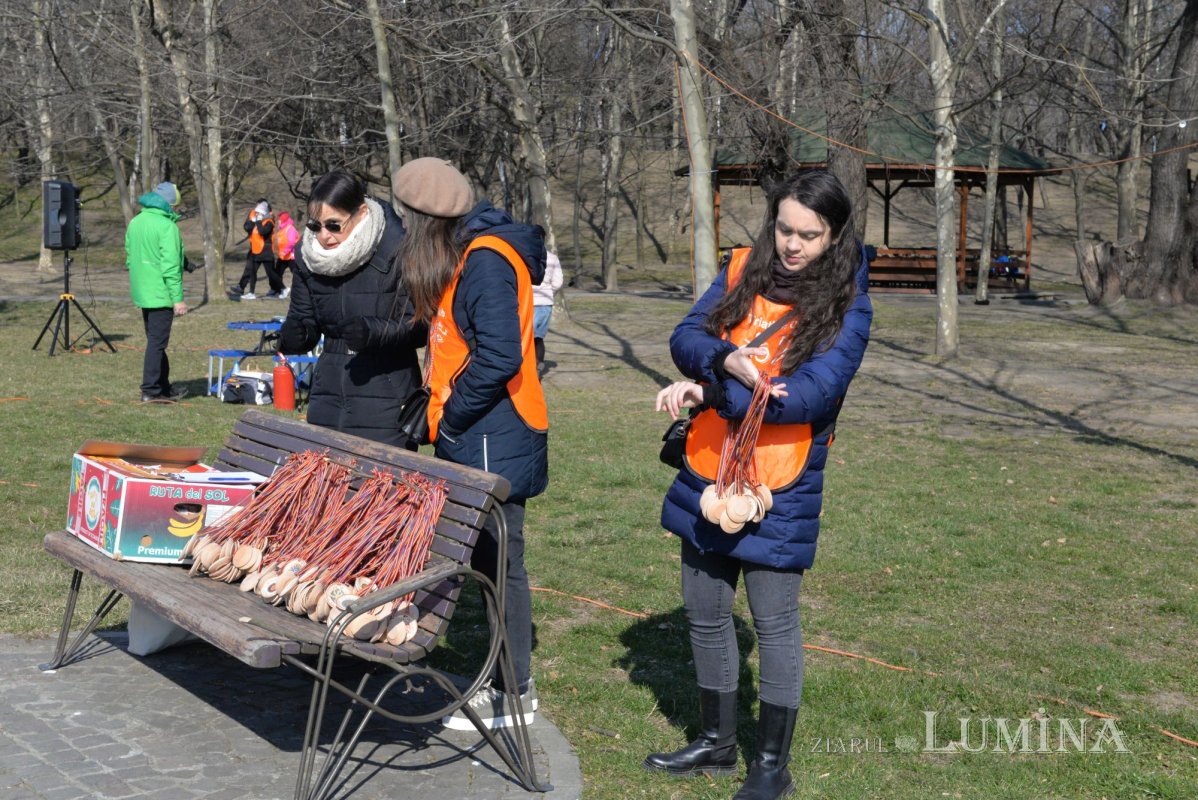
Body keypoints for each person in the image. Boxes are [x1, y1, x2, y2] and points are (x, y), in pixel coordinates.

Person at [645, 170, 872, 800]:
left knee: (773, 624)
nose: (793, 245)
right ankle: (717, 745)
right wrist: (720, 358)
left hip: (783, 481)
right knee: (705, 613)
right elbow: (686, 335)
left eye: (810, 235)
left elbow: (810, 395)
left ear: (834, 236)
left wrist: (713, 389)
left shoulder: (851, 301)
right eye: (785, 229)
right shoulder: (742, 267)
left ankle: (771, 764)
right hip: (710, 466)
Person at [392, 157, 547, 731]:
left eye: (408, 220)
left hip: (493, 431)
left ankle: (513, 693)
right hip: (473, 430)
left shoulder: (485, 261)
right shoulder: (467, 255)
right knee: (482, 561)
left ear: (426, 219)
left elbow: (501, 355)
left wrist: (452, 417)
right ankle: (499, 680)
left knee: (499, 564)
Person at [277, 171, 425, 447]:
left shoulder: (400, 250)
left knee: (382, 486)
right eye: (315, 226)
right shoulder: (308, 257)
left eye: (334, 225)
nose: (324, 236)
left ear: (361, 213)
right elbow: (304, 318)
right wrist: (296, 335)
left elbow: (421, 324)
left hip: (387, 395)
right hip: (328, 393)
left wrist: (374, 332)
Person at [124, 181, 189, 404]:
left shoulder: (136, 221)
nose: (177, 210)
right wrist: (178, 299)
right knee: (156, 344)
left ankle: (164, 387)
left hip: (143, 291)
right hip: (161, 294)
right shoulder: (167, 227)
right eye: (177, 206)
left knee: (156, 341)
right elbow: (169, 266)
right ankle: (150, 390)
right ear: (169, 205)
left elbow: (130, 254)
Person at [233, 199, 279, 300]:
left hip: (265, 250)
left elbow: (263, 231)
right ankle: (247, 290)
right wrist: (253, 223)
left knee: (270, 272)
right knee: (251, 270)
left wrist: (258, 221)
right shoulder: (253, 214)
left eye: (258, 208)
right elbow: (247, 226)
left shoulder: (268, 219)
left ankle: (277, 289)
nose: (256, 210)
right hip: (255, 248)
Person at [531, 248, 563, 373]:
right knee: (537, 337)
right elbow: (558, 282)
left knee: (524, 337)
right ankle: (538, 365)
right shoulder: (552, 257)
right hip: (544, 302)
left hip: (526, 300)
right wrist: (549, 293)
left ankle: (527, 368)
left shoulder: (524, 253)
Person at [271, 210, 300, 299]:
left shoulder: (290, 228)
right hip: (283, 257)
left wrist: (285, 251)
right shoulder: (282, 229)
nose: (278, 222)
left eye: (279, 220)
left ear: (283, 220)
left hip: (291, 257)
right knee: (277, 273)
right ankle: (281, 289)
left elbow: (291, 242)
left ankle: (298, 292)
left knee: (296, 275)